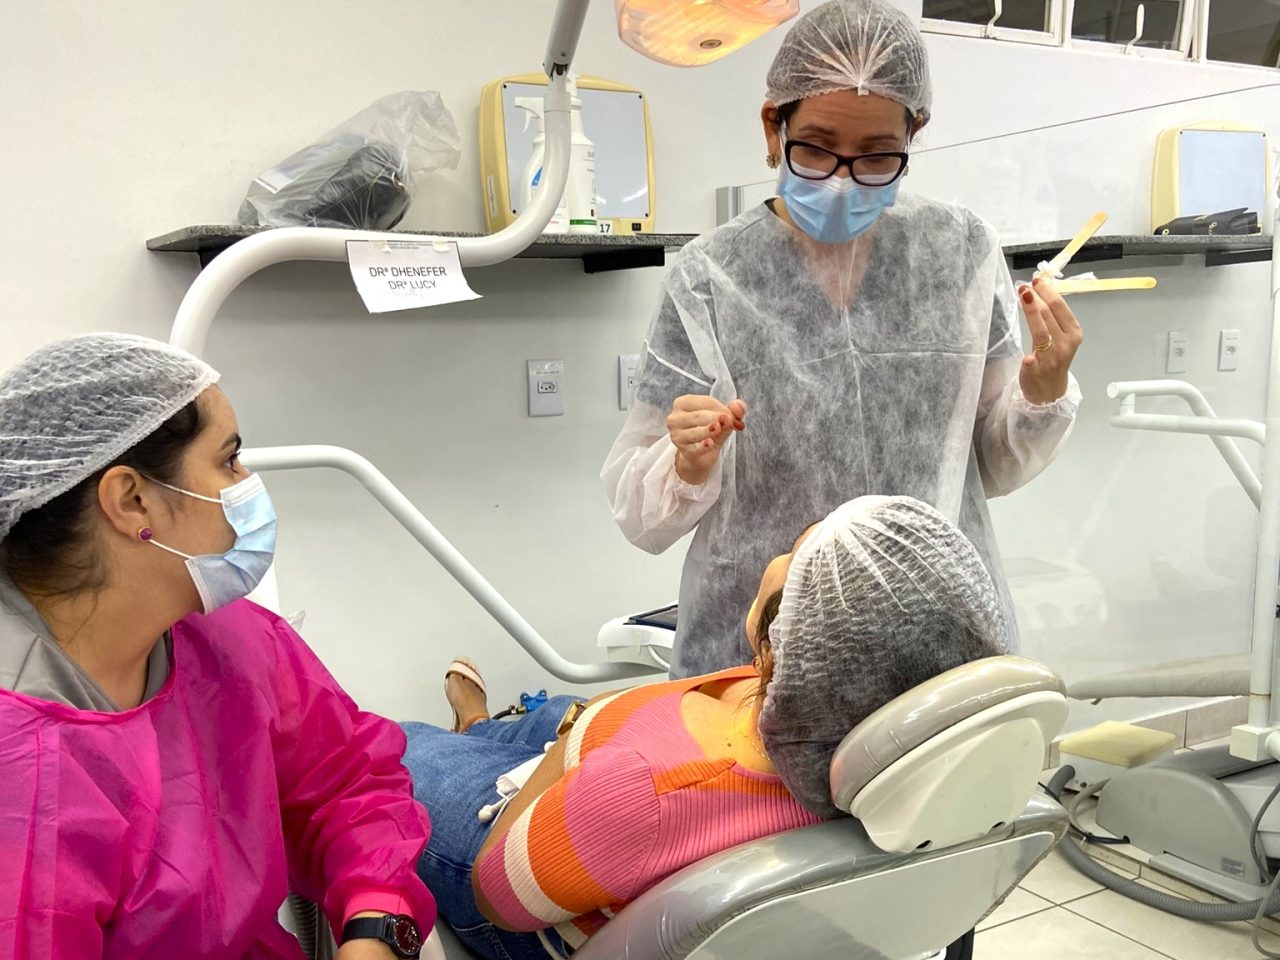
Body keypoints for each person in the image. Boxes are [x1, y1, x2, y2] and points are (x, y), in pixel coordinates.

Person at [602, 0, 1085, 677]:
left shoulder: (960, 254)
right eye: (818, 146)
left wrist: (1041, 392)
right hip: (758, 655)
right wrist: (687, 462)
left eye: (876, 156)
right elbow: (639, 512)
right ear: (774, 125)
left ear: (914, 135)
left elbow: (993, 468)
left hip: (934, 639)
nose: (840, 179)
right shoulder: (712, 276)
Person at [402, 494, 1007, 960]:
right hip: (609, 774)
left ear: (779, 645)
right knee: (554, 710)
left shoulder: (645, 797)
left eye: (797, 556)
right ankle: (483, 726)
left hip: (531, 837)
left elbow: (495, 897)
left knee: (384, 747)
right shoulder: (854, 716)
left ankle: (473, 730)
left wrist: (573, 751)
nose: (781, 552)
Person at [0, 334, 434, 960]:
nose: (248, 483)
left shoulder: (222, 638)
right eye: (229, 461)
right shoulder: (24, 776)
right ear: (132, 500)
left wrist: (377, 927)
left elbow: (347, 783)